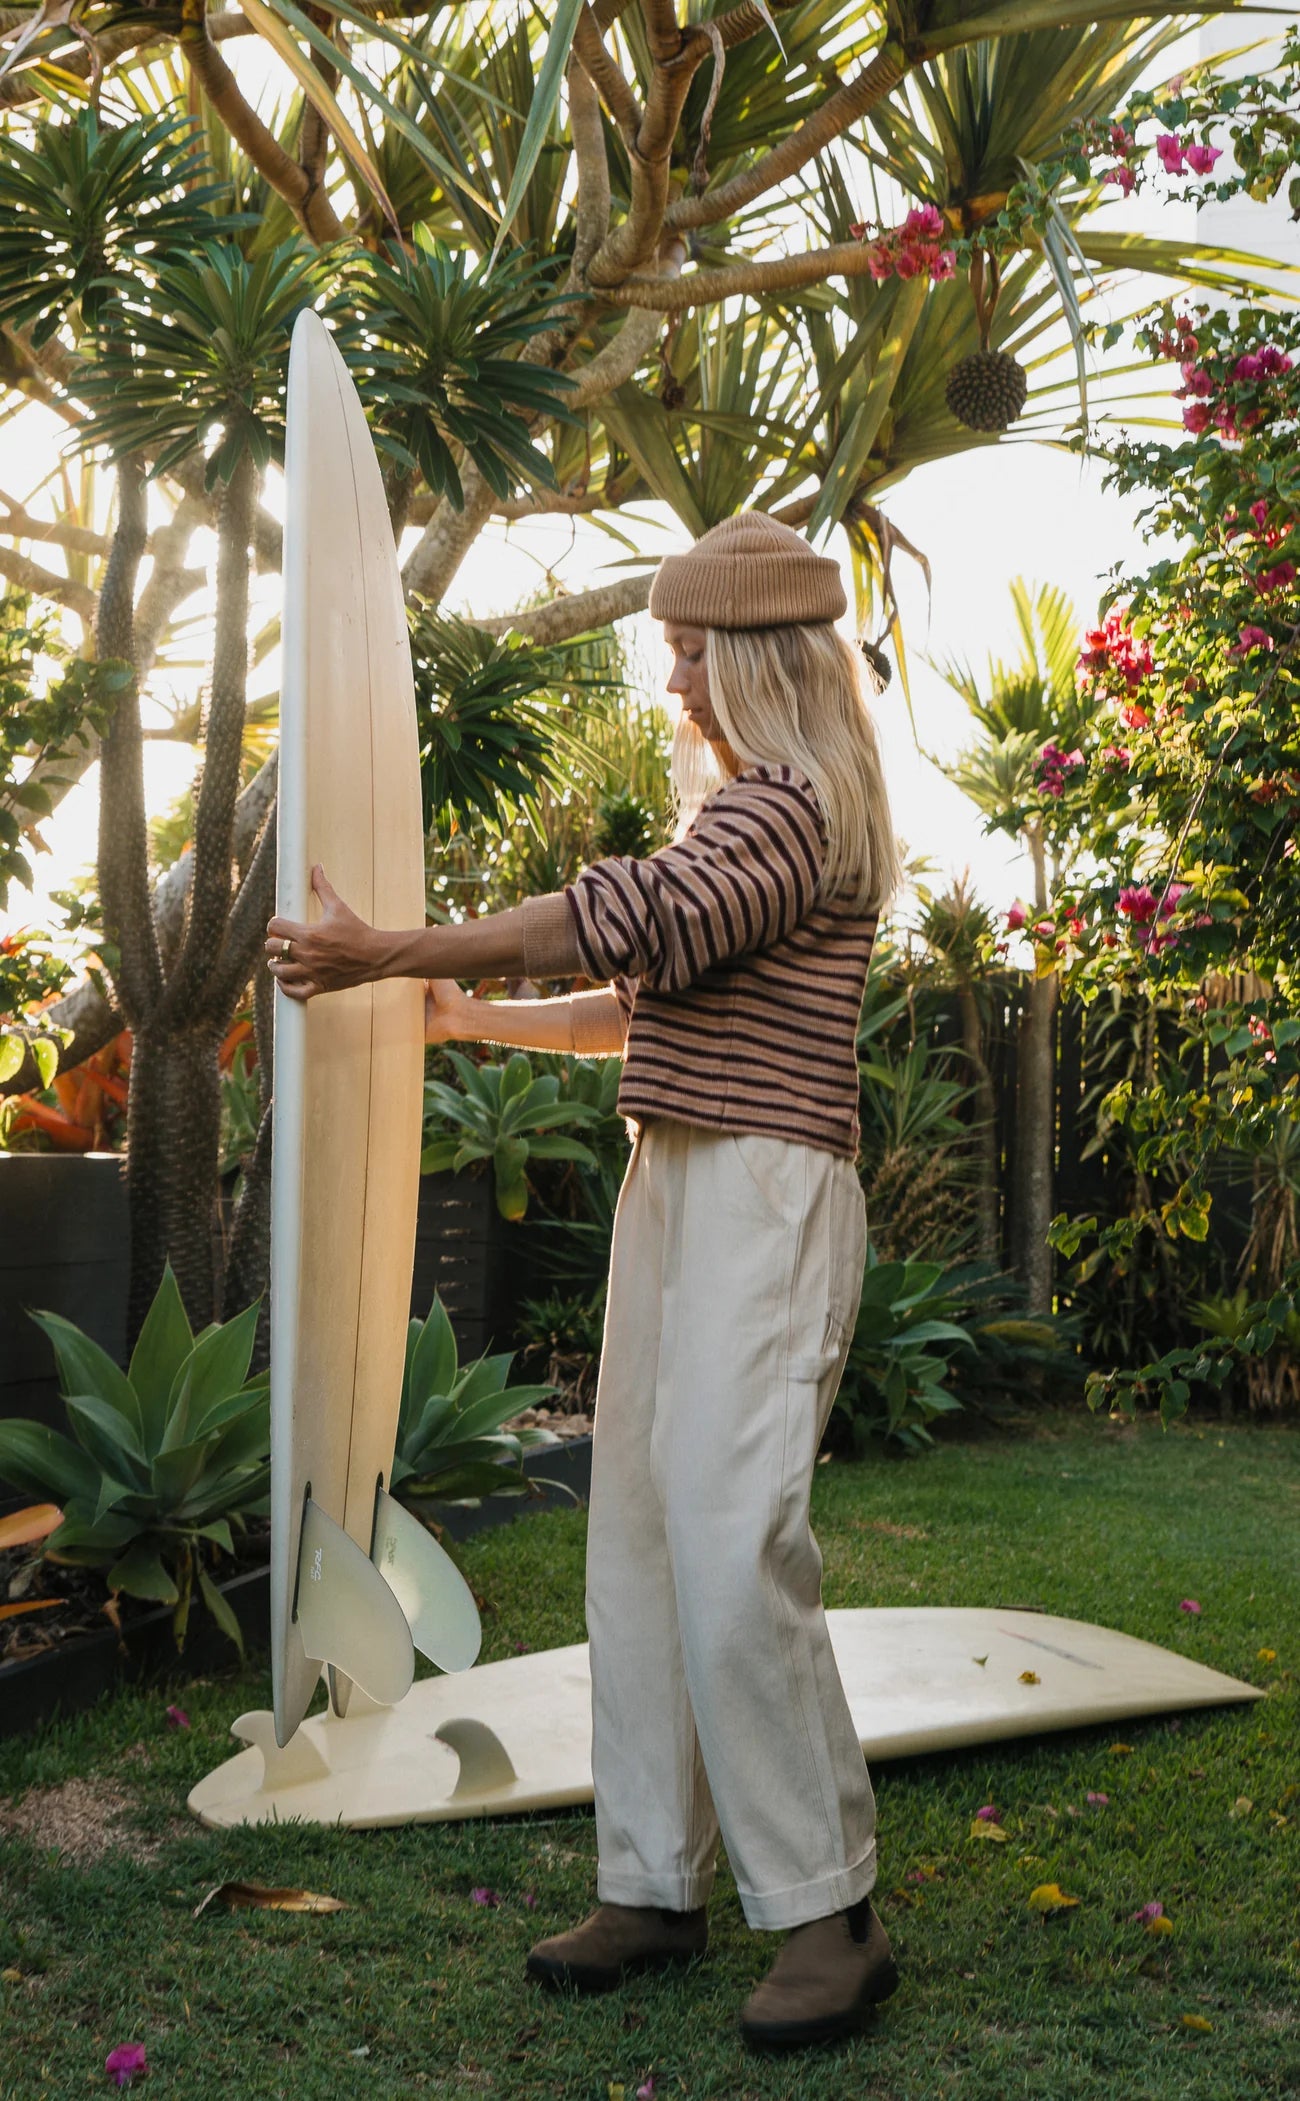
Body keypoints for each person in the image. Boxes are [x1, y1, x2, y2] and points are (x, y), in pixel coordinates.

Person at [265, 511, 903, 2052]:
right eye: (671, 646)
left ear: (759, 655)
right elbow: (646, 992)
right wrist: (473, 1017)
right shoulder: (744, 816)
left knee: (730, 1530)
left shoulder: (792, 811)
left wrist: (385, 948)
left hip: (766, 1182)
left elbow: (636, 915)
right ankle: (654, 1877)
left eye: (693, 648)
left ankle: (827, 1911)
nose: (673, 677)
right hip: (682, 1171)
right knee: (636, 1522)